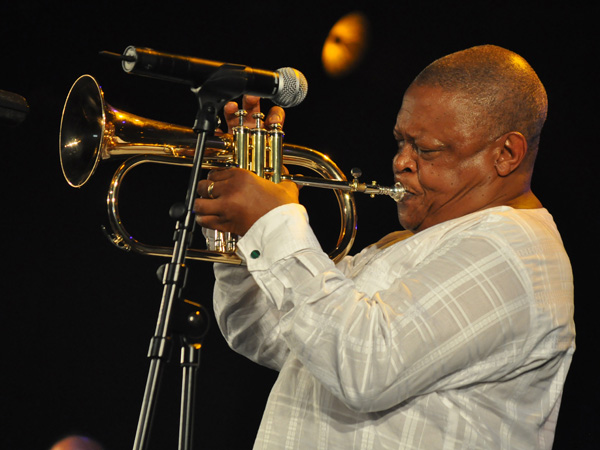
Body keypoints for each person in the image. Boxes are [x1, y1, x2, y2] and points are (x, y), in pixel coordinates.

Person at [193, 45, 575, 449]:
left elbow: (364, 365)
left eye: (426, 149)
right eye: (400, 143)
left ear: (506, 154)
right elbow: (270, 335)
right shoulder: (417, 242)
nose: (401, 162)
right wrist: (240, 234)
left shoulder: (513, 250)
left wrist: (273, 223)